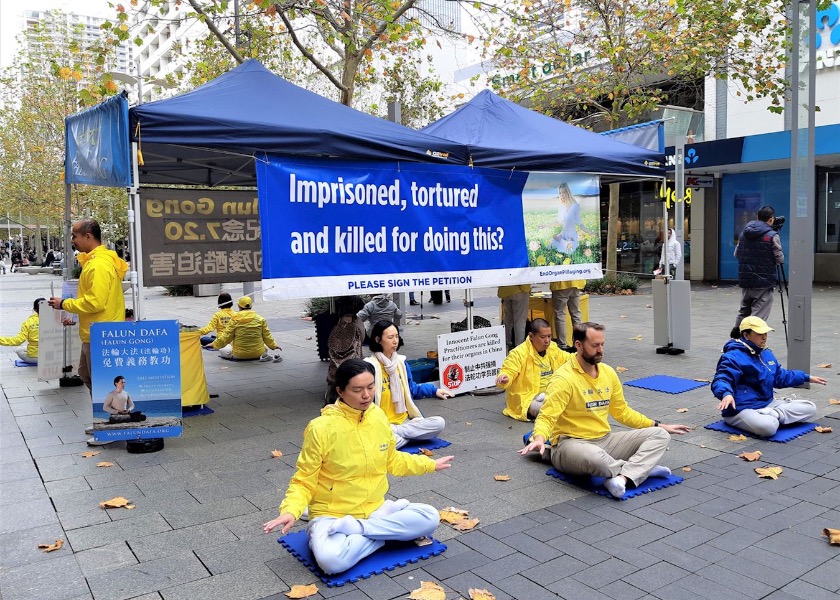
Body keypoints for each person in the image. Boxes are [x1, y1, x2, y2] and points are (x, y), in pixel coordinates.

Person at [262, 359, 453, 575]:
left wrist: (428, 464)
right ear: (340, 391)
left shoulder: (378, 416)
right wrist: (290, 511)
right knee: (330, 561)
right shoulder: (321, 428)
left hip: (374, 509)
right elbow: (304, 479)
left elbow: (392, 460)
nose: (366, 395)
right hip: (332, 514)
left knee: (429, 517)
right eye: (357, 389)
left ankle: (360, 531)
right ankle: (384, 535)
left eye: (371, 387)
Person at [520, 322, 690, 499]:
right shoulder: (563, 378)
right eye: (594, 345)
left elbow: (622, 412)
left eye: (602, 344)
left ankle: (624, 477)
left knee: (660, 436)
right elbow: (547, 416)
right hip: (570, 444)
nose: (601, 350)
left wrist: (659, 425)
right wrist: (539, 438)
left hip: (605, 440)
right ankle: (641, 470)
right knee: (596, 459)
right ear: (578, 345)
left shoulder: (608, 373)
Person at [47, 219, 128, 391]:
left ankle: (109, 413)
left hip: (100, 334)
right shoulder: (98, 261)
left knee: (100, 382)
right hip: (96, 331)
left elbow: (95, 303)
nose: (72, 241)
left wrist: (64, 303)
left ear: (88, 236)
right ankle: (106, 411)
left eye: (75, 236)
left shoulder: (97, 265)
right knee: (86, 374)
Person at [712, 316, 826, 437]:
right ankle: (773, 416)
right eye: (759, 333)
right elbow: (722, 378)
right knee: (769, 427)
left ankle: (774, 414)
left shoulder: (765, 352)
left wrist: (805, 377)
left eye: (765, 333)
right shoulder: (732, 356)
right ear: (746, 335)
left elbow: (779, 377)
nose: (764, 336)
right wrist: (726, 394)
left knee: (810, 408)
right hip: (741, 408)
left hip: (767, 404)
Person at [364, 320, 449, 449]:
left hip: (405, 421)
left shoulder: (401, 363)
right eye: (390, 337)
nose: (395, 341)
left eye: (397, 336)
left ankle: (399, 434)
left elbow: (412, 389)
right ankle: (408, 436)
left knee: (439, 423)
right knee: (381, 443)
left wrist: (434, 391)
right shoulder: (369, 367)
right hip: (382, 423)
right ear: (378, 339)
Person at [496, 318, 572, 421]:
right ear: (531, 336)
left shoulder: (552, 348)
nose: (547, 341)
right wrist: (505, 378)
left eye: (549, 336)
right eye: (543, 337)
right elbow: (508, 371)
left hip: (552, 394)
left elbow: (569, 359)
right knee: (551, 410)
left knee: (576, 403)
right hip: (528, 399)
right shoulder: (518, 353)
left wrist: (585, 356)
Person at [734, 205, 783, 334]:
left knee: (744, 310)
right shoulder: (772, 235)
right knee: (758, 316)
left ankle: (737, 336)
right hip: (764, 281)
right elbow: (779, 258)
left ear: (757, 217)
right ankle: (751, 342)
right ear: (771, 219)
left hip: (747, 280)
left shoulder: (744, 233)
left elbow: (737, 254)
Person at [207, 296, 282, 362]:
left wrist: (213, 345)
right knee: (265, 347)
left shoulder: (234, 319)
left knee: (223, 349)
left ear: (239, 306)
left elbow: (226, 337)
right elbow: (267, 336)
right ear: (251, 306)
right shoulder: (260, 319)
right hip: (259, 353)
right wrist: (274, 346)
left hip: (239, 355)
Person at [549, 184, 595, 254]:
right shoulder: (561, 207)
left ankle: (562, 241)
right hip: (563, 234)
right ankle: (562, 240)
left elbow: (580, 224)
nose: (562, 195)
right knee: (551, 246)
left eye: (564, 192)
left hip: (572, 235)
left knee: (569, 251)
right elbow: (558, 221)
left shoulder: (575, 206)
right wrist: (545, 226)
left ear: (568, 193)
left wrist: (590, 232)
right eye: (560, 193)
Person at [0, 298, 43, 364]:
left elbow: (18, 341)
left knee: (19, 350)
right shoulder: (54, 320)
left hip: (36, 357)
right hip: (52, 356)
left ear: (34, 310)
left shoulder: (28, 322)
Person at [549, 279, 584, 350]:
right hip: (576, 283)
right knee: (576, 314)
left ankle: (562, 344)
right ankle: (577, 342)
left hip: (560, 284)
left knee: (560, 314)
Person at [498, 284, 530, 350]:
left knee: (508, 319)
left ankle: (506, 343)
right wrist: (526, 288)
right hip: (519, 289)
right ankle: (519, 346)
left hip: (505, 291)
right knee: (520, 320)